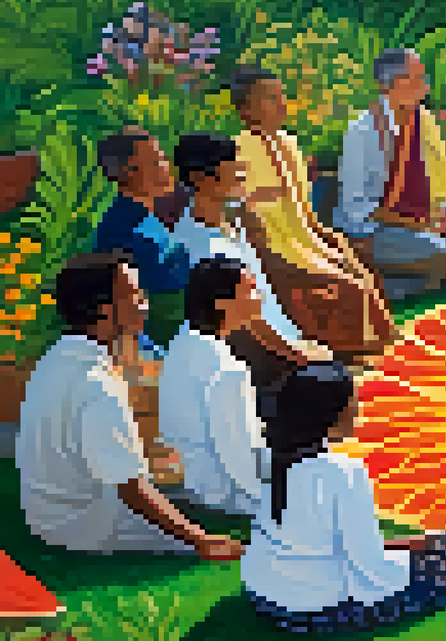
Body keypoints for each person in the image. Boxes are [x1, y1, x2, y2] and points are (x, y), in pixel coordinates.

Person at [15, 253, 242, 559]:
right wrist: (202, 541)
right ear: (101, 309)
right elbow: (131, 488)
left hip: (45, 518)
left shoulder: (54, 358)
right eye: (134, 296)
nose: (145, 305)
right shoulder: (96, 384)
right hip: (86, 527)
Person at [242, 362, 446, 633]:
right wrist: (412, 567)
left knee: (435, 546)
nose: (358, 411)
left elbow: (319, 540)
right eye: (353, 404)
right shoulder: (343, 471)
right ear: (332, 415)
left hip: (262, 591)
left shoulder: (270, 457)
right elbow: (373, 572)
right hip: (311, 609)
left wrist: (413, 544)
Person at [231, 67, 394, 360]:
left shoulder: (290, 145)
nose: (280, 104)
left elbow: (304, 212)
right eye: (270, 98)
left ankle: (380, 340)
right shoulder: (237, 152)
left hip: (306, 241)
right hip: (272, 248)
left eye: (281, 96)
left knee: (359, 268)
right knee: (347, 285)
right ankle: (355, 350)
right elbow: (246, 218)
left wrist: (330, 240)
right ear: (245, 109)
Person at [169, 132, 325, 414]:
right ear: (201, 178)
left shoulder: (232, 221)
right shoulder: (203, 246)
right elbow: (246, 323)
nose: (242, 171)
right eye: (233, 165)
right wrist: (297, 355)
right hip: (260, 354)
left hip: (281, 339)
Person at [337, 48, 446, 301]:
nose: (425, 87)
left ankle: (431, 280)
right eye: (418, 79)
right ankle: (385, 287)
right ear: (392, 84)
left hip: (426, 223)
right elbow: (360, 209)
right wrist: (419, 225)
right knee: (434, 251)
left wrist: (444, 212)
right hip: (376, 231)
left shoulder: (423, 120)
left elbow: (442, 180)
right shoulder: (364, 130)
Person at [158, 257, 269, 516]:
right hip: (221, 491)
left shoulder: (185, 343)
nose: (259, 295)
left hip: (199, 480)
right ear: (221, 302)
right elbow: (234, 449)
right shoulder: (224, 366)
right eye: (251, 289)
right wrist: (260, 499)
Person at [93, 129, 192, 348]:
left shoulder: (152, 218)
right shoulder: (120, 231)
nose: (167, 167)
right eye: (157, 161)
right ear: (129, 171)